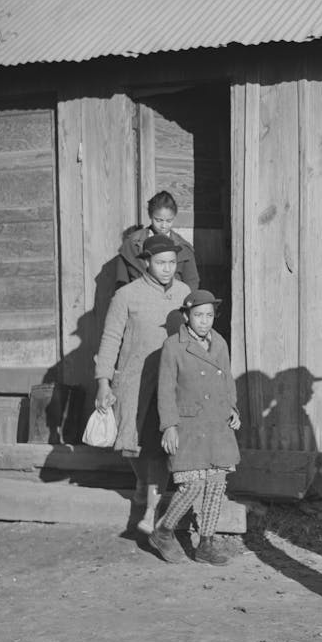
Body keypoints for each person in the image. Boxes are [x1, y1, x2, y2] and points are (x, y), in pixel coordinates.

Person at [95, 234, 191, 535]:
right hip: (135, 379)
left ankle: (151, 510)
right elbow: (111, 339)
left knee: (161, 446)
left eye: (172, 263)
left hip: (172, 383)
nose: (167, 269)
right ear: (146, 262)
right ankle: (141, 482)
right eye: (161, 263)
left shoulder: (185, 292)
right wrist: (103, 383)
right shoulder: (127, 295)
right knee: (133, 444)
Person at [149, 290, 241, 565]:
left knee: (215, 485)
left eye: (209, 315)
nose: (204, 321)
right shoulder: (173, 346)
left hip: (217, 424)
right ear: (186, 316)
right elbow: (165, 390)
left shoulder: (220, 343)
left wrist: (233, 409)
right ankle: (164, 531)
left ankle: (206, 544)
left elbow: (228, 381)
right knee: (191, 485)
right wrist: (169, 426)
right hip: (189, 425)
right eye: (198, 315)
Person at [115, 191, 200, 291]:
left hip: (173, 303)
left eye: (169, 221)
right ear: (150, 215)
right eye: (158, 220)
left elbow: (192, 282)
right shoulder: (131, 244)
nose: (164, 226)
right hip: (138, 301)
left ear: (174, 217)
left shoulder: (184, 248)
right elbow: (121, 281)